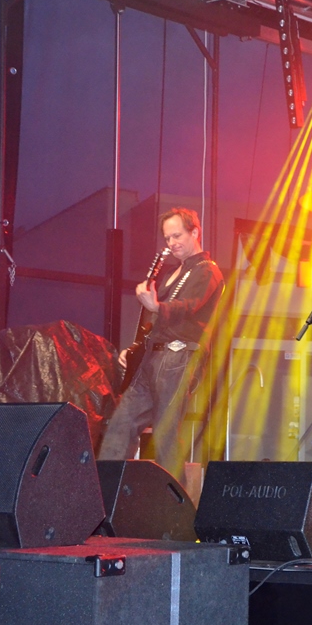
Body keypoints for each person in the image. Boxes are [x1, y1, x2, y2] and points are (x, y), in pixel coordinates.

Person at [100, 208, 224, 485]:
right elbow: (153, 322)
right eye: (167, 238)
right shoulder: (171, 272)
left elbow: (188, 307)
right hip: (152, 358)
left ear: (195, 232)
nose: (171, 243)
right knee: (121, 424)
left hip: (178, 356)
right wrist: (134, 349)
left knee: (165, 433)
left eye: (177, 235)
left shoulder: (208, 270)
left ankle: (176, 504)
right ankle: (107, 495)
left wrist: (156, 306)